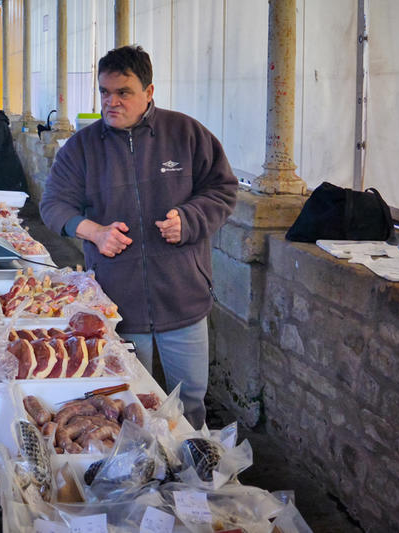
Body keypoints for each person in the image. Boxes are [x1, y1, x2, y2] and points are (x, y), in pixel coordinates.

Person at [40, 46, 237, 429]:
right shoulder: (82, 148)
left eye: (123, 92)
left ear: (149, 91)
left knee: (190, 399)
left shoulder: (187, 134)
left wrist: (190, 219)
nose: (111, 102)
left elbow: (223, 189)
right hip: (117, 303)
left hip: (182, 295)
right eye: (104, 92)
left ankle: (193, 476)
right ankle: (134, 479)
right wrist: (93, 232)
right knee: (123, 402)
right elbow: (53, 205)